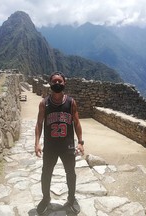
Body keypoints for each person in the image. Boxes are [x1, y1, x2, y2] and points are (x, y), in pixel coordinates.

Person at [35, 71, 84, 215]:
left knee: (71, 173)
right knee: (46, 173)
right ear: (50, 84)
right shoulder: (44, 103)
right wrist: (37, 143)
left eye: (60, 81)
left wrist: (80, 142)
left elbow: (76, 123)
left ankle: (71, 198)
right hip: (50, 147)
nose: (57, 84)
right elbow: (39, 124)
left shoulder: (71, 103)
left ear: (64, 83)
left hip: (67, 146)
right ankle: (45, 199)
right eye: (54, 81)